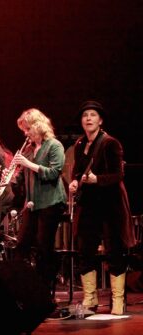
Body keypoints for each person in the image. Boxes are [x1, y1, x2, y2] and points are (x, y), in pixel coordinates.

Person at [68, 101, 135, 315]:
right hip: (88, 204)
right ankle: (90, 300)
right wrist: (75, 182)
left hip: (110, 204)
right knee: (84, 250)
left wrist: (98, 179)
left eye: (93, 115)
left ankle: (117, 301)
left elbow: (118, 175)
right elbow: (78, 172)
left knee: (114, 251)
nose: (88, 118)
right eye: (85, 115)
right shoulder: (80, 144)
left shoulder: (110, 143)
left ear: (100, 120)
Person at [11, 108, 67, 289]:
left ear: (37, 126)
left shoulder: (54, 145)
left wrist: (28, 164)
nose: (25, 134)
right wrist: (11, 175)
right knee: (21, 245)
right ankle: (20, 287)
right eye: (24, 131)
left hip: (51, 202)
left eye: (27, 129)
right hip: (33, 203)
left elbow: (54, 173)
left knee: (44, 247)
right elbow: (22, 177)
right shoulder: (28, 149)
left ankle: (45, 289)